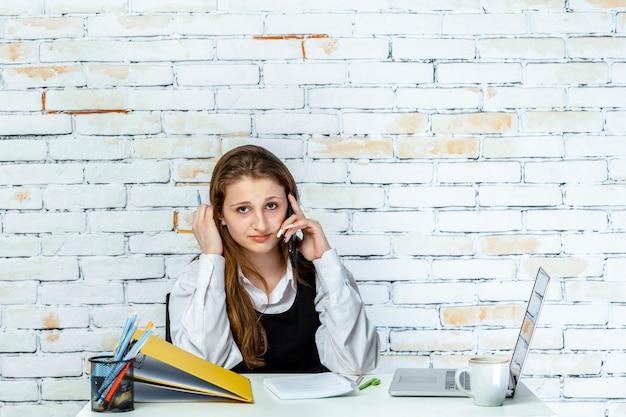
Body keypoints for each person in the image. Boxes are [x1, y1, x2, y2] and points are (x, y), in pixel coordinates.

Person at [168, 145, 379, 375]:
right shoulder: (199, 277)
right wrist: (211, 256)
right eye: (242, 209)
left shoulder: (324, 273)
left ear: (290, 207)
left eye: (271, 206)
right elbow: (202, 372)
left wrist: (325, 260)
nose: (260, 223)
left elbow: (358, 365)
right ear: (220, 215)